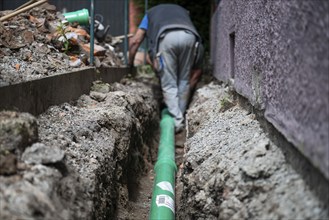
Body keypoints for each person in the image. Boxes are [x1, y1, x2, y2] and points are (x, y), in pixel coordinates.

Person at [128, 4, 204, 133]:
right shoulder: (183, 11)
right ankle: (180, 116)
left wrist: (130, 64)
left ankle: (177, 122)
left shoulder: (150, 14)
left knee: (169, 83)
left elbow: (136, 40)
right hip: (190, 37)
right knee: (184, 80)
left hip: (166, 38)